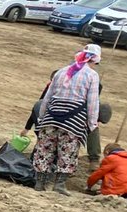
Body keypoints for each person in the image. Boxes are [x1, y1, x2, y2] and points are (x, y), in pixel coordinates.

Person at [32, 45, 101, 195]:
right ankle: (59, 185)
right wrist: (92, 124)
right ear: (94, 60)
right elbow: (93, 102)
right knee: (67, 152)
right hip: (74, 120)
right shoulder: (92, 75)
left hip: (51, 116)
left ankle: (39, 183)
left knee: (44, 150)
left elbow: (48, 97)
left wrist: (42, 117)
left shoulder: (61, 71)